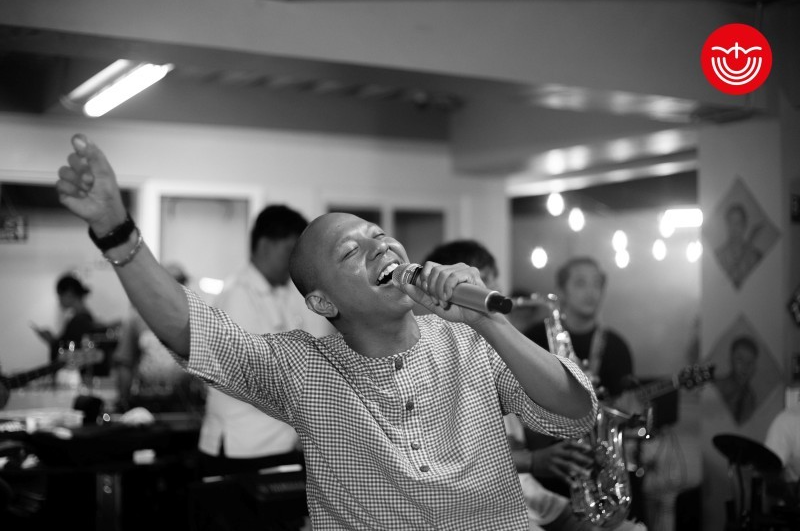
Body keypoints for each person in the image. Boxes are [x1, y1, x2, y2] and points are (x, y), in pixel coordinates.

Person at [55, 134, 597, 530]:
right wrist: (115, 231)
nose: (381, 247)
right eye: (350, 251)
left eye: (379, 235)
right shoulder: (304, 370)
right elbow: (192, 330)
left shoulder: (469, 340)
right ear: (322, 302)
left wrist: (488, 322)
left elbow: (574, 412)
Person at [425, 241, 644, 531]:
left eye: (491, 279)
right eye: (486, 278)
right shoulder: (438, 356)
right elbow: (445, 459)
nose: (497, 288)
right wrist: (534, 459)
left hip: (535, 498)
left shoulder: (492, 346)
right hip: (488, 508)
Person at [198, 204, 332, 476]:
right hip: (244, 443)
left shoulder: (284, 293)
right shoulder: (238, 295)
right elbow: (256, 370)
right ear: (264, 245)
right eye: (289, 250)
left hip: (277, 439)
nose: (294, 261)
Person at [521, 257, 635, 496]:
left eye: (597, 284)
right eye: (581, 283)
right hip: (547, 466)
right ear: (561, 290)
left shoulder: (617, 346)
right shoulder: (534, 338)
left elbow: (623, 406)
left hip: (599, 465)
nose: (591, 292)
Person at [113, 263, 206, 414]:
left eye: (180, 283)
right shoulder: (138, 318)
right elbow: (125, 363)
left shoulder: (196, 319)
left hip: (184, 403)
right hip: (145, 401)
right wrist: (123, 401)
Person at [30, 273, 97, 380]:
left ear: (69, 294)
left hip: (73, 378)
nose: (59, 300)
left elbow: (69, 353)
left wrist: (52, 341)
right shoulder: (82, 318)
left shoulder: (80, 320)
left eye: (60, 296)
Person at [715, 203, 763, 289]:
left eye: (738, 223)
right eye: (731, 223)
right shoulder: (717, 256)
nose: (734, 228)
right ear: (727, 225)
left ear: (744, 225)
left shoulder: (755, 257)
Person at [714, 335, 759, 425]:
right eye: (740, 360)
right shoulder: (716, 387)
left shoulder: (750, 398)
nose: (745, 367)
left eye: (750, 362)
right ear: (731, 360)